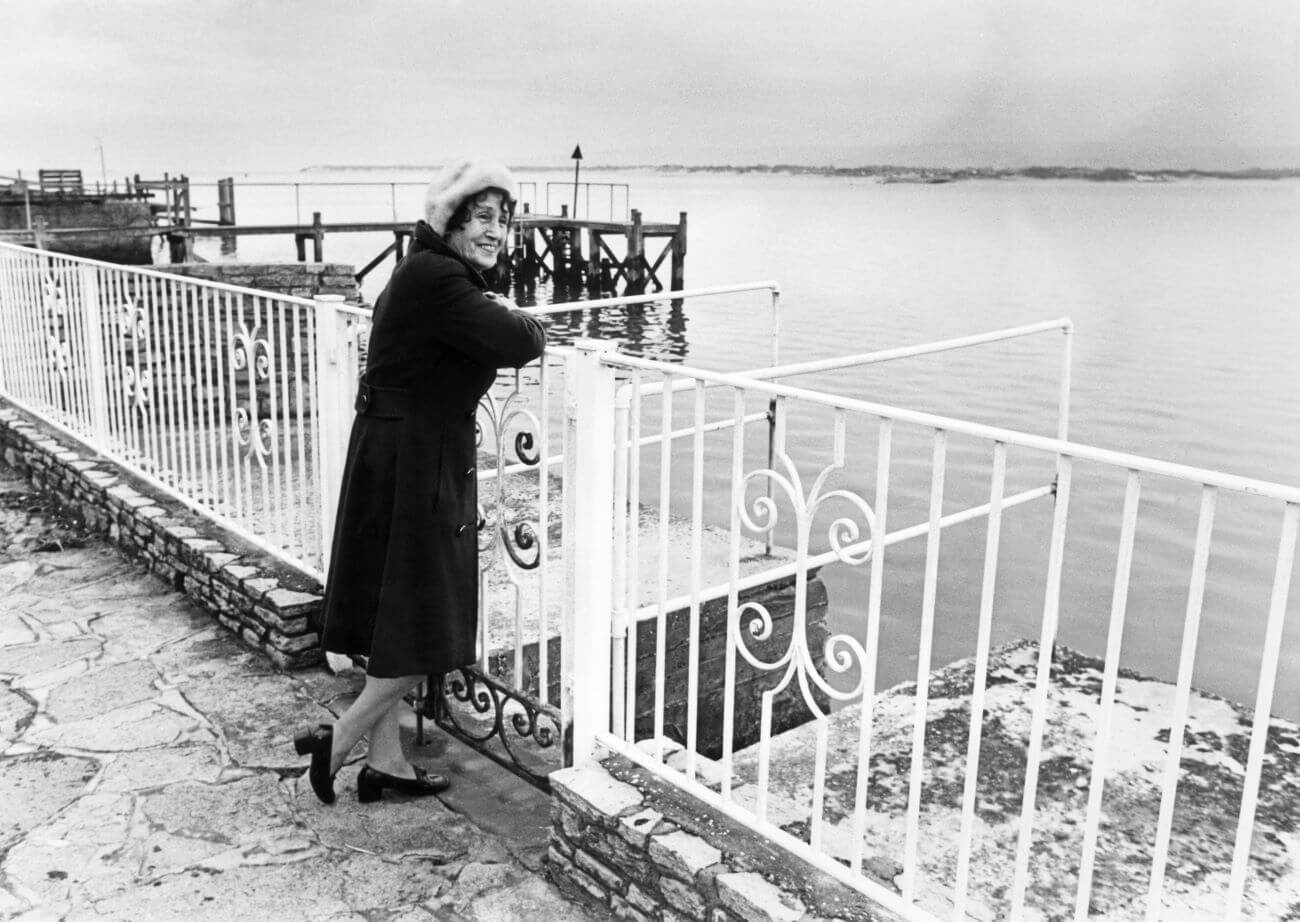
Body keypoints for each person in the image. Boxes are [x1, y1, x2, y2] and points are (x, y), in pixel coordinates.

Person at [295, 159, 546, 805]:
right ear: (453, 220)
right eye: (483, 218)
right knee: (426, 615)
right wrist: (509, 311)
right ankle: (342, 737)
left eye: (505, 220)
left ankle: (388, 765)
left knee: (395, 614)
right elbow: (521, 341)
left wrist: (488, 303)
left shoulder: (425, 270)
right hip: (415, 463)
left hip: (395, 452)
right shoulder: (440, 277)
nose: (497, 232)